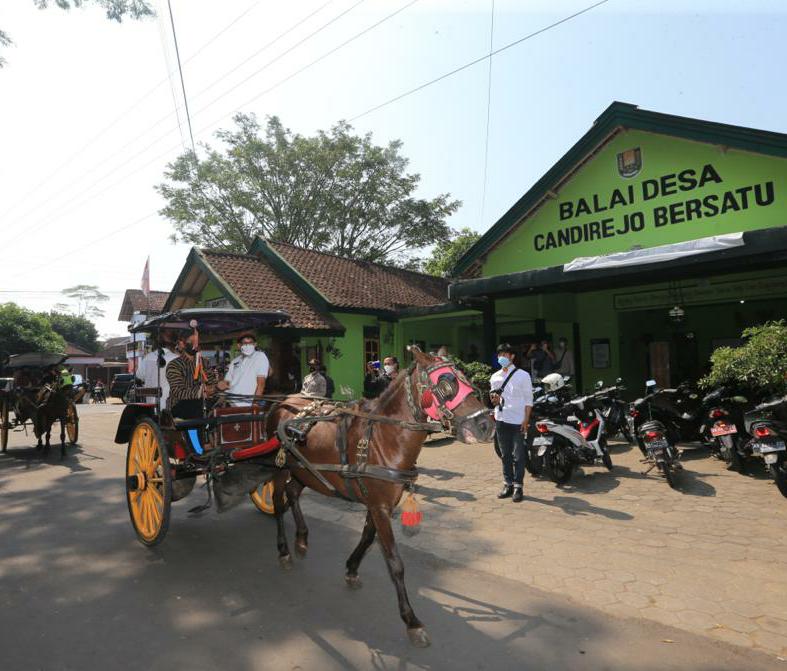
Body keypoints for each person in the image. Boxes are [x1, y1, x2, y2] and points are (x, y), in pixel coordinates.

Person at [489, 343, 533, 503]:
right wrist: (494, 400)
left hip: (518, 421)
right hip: (501, 420)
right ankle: (508, 484)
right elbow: (493, 399)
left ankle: (518, 487)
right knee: (505, 455)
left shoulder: (523, 375)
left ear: (512, 356)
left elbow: (528, 400)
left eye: (505, 355)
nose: (502, 357)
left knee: (518, 456)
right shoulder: (495, 377)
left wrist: (526, 420)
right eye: (499, 355)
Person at [166, 330, 219, 418]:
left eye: (197, 342)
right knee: (197, 407)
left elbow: (211, 382)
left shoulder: (204, 362)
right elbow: (179, 392)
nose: (196, 345)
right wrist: (201, 392)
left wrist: (216, 387)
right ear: (182, 344)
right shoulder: (174, 365)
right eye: (192, 341)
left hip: (202, 405)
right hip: (179, 407)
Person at [216, 332, 269, 406]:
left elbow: (261, 384)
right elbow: (227, 382)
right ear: (239, 345)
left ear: (255, 344)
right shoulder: (235, 361)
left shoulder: (260, 356)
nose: (248, 345)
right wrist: (219, 385)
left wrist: (255, 404)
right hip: (230, 400)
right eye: (245, 343)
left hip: (245, 405)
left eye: (250, 343)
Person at [137, 330, 179, 408]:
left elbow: (139, 376)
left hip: (151, 406)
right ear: (174, 344)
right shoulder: (177, 359)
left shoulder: (147, 358)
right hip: (171, 406)